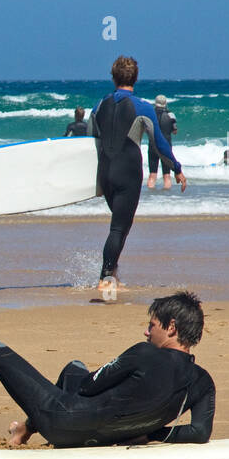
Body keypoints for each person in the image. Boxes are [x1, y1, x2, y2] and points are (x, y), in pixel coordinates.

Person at [0, 291, 214, 453]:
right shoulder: (203, 383)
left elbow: (86, 387)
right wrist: (148, 433)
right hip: (101, 440)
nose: (146, 332)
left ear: (171, 327)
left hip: (62, 423)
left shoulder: (144, 352)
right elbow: (199, 433)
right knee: (74, 367)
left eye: (152, 326)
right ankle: (24, 430)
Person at [90, 56, 184, 292]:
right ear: (135, 78)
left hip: (105, 173)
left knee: (120, 225)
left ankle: (113, 273)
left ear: (113, 77)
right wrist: (177, 169)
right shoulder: (142, 107)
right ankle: (105, 278)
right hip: (127, 174)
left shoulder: (100, 105)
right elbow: (159, 144)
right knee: (119, 228)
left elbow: (89, 139)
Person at [146, 95, 178, 190]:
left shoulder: (150, 114)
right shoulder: (170, 115)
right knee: (167, 175)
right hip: (166, 146)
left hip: (153, 145)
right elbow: (175, 131)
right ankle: (166, 198)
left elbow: (145, 129)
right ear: (165, 103)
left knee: (152, 175)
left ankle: (151, 196)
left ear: (155, 103)